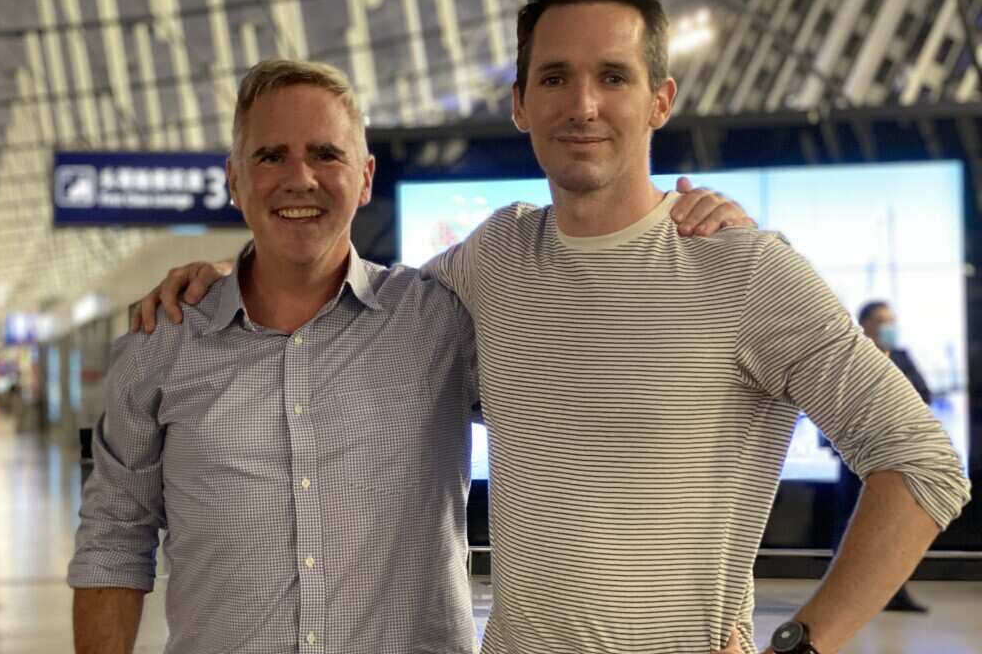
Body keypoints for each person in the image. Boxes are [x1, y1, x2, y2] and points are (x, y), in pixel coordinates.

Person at [132, 0, 970, 654]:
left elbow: (922, 464)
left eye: (613, 77)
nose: (584, 105)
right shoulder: (492, 261)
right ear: (520, 103)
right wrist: (231, 268)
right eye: (555, 78)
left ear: (661, 100)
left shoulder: (742, 271)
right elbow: (345, 301)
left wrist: (806, 644)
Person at [69, 59, 751, 654]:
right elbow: (113, 540)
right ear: (234, 181)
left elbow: (607, 408)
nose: (298, 177)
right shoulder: (162, 346)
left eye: (325, 155)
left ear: (365, 178)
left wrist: (695, 250)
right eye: (270, 156)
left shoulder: (439, 319)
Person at [836, 300, 937, 613]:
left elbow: (924, 394)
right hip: (855, 456)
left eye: (891, 320)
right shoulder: (850, 358)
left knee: (893, 525)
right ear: (864, 324)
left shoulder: (903, 357)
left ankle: (895, 593)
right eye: (881, 320)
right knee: (852, 527)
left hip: (894, 455)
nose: (887, 326)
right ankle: (845, 599)